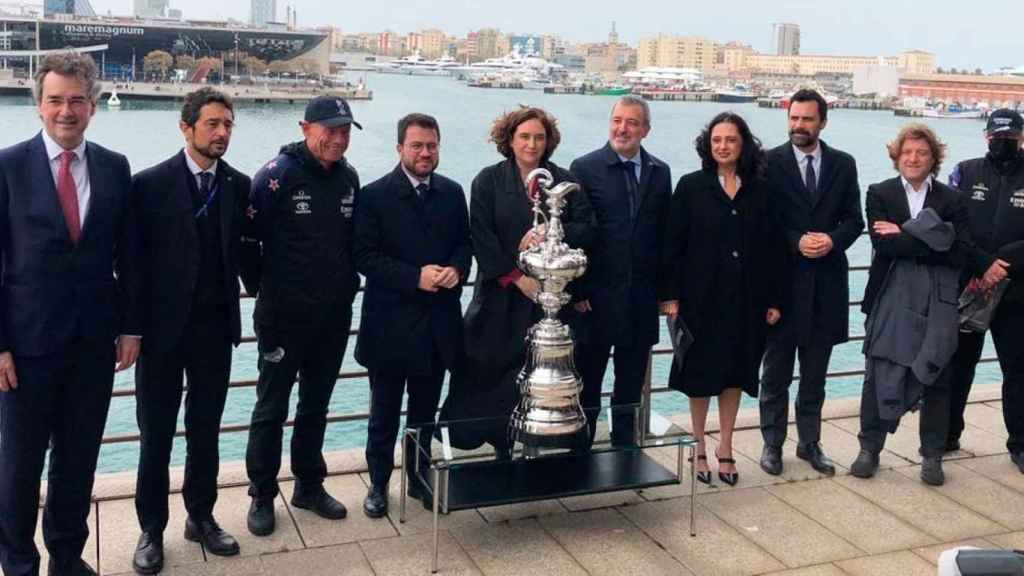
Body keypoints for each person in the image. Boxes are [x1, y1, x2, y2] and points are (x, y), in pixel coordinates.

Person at [0, 52, 140, 576]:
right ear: (38, 105)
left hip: (93, 345)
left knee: (77, 463)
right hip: (25, 349)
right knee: (17, 467)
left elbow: (128, 257)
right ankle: (17, 562)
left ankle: (66, 556)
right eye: (55, 100)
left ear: (93, 106)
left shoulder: (113, 166)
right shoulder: (7, 167)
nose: (66, 110)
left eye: (77, 100)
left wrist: (130, 327)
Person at [130, 88, 250, 574]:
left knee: (206, 432)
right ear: (186, 128)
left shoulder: (238, 185)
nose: (221, 133)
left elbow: (249, 254)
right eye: (212, 124)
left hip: (215, 330)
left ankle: (200, 516)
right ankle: (150, 529)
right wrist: (131, 329)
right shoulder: (149, 185)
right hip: (160, 334)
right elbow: (132, 266)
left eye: (227, 125)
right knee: (155, 435)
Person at [439, 106, 594, 455]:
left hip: (550, 301)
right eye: (524, 136)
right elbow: (480, 236)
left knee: (540, 379)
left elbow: (589, 229)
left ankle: (537, 447)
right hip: (500, 299)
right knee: (489, 377)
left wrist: (552, 228)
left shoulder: (564, 180)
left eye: (539, 137)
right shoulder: (487, 180)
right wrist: (516, 278)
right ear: (509, 140)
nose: (532, 143)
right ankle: (499, 450)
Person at [240, 96, 362, 536]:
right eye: (330, 129)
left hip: (332, 317)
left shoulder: (349, 178)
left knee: (316, 405)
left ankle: (309, 484)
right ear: (306, 128)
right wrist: (266, 293)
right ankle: (260, 494)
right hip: (282, 318)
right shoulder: (276, 176)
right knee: (271, 408)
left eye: (345, 130)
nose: (338, 138)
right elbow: (247, 243)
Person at [354, 114, 472, 518]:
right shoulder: (373, 195)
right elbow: (364, 257)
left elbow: (464, 245)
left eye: (431, 146)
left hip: (438, 326)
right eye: (417, 145)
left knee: (424, 413)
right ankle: (378, 484)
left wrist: (457, 270)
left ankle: (419, 478)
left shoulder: (453, 193)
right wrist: (414, 278)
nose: (425, 153)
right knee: (383, 414)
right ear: (399, 148)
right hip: (389, 325)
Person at [660, 112, 783, 486]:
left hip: (748, 300)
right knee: (699, 377)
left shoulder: (762, 189)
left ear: (742, 143)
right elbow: (672, 245)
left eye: (730, 139)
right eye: (717, 140)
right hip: (699, 300)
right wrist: (670, 296)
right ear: (708, 145)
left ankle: (725, 447)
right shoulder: (691, 186)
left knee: (735, 374)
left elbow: (775, 248)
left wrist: (775, 299)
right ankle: (698, 447)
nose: (723, 146)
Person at [852, 123, 973, 486]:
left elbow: (961, 251)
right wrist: (936, 236)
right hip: (890, 296)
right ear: (897, 157)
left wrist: (904, 231)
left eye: (921, 152)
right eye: (907, 152)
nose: (914, 158)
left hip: (939, 302)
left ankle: (932, 456)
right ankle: (869, 448)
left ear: (933, 158)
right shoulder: (880, 193)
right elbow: (884, 246)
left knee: (937, 375)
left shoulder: (953, 199)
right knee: (879, 373)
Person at [758, 89, 865, 477]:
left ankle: (809, 443)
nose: (798, 126)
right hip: (782, 289)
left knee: (815, 377)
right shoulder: (768, 163)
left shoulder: (843, 164)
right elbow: (762, 223)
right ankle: (772, 445)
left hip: (827, 288)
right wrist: (795, 240)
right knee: (775, 375)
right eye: (794, 118)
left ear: (822, 121)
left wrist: (833, 240)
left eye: (806, 119)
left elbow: (856, 220)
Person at [569, 96, 672, 448]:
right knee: (588, 381)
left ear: (645, 129)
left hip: (641, 298)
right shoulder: (584, 168)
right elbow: (576, 233)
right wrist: (578, 291)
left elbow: (664, 235)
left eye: (631, 122)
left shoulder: (660, 171)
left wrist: (666, 292)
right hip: (595, 298)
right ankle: (580, 448)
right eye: (617, 120)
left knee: (629, 385)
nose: (622, 128)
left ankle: (625, 449)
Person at [947, 108, 1024, 474]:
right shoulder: (964, 172)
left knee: (1019, 370)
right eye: (997, 137)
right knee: (959, 366)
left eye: (1010, 138)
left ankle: (1020, 444)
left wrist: (1005, 262)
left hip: (1017, 290)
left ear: (1021, 138)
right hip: (972, 287)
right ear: (986, 137)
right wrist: (982, 264)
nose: (1003, 143)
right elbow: (952, 225)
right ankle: (947, 435)